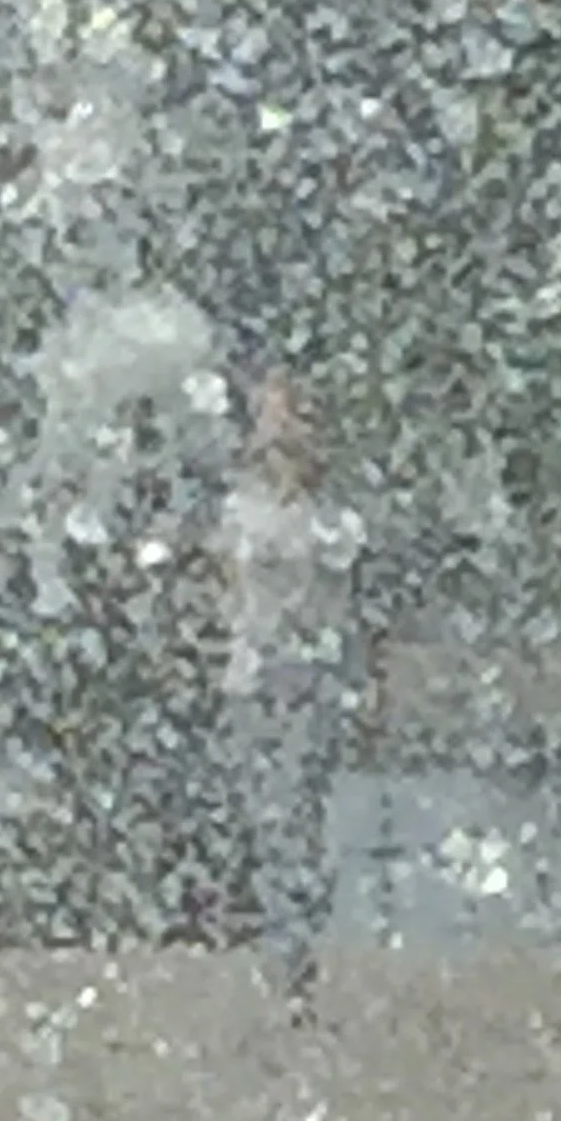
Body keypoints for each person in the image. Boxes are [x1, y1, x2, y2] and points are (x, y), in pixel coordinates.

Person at [218, 368, 364, 1022]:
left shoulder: (336, 518)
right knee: (267, 820)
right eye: (270, 419)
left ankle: (295, 968)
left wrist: (366, 687)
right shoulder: (236, 510)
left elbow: (354, 611)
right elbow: (228, 595)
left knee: (298, 821)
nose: (278, 433)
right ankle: (280, 961)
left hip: (313, 686)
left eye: (289, 419)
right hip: (253, 684)